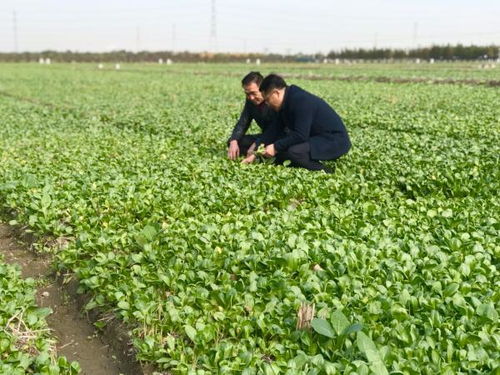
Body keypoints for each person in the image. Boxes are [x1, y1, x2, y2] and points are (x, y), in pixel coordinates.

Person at [244, 74, 351, 172]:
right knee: (281, 153)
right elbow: (274, 130)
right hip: (316, 139)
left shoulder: (300, 100)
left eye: (267, 100)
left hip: (334, 141)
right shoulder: (284, 103)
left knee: (295, 152)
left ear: (276, 93)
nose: (266, 104)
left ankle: (326, 171)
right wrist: (256, 149)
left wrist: (275, 147)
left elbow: (301, 135)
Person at [227, 72, 280, 160]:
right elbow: (243, 122)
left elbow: (278, 129)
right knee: (234, 142)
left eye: (253, 93)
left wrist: (256, 145)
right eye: (247, 94)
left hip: (279, 137)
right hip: (264, 137)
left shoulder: (275, 100)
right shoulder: (250, 101)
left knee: (289, 151)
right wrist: (234, 141)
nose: (251, 98)